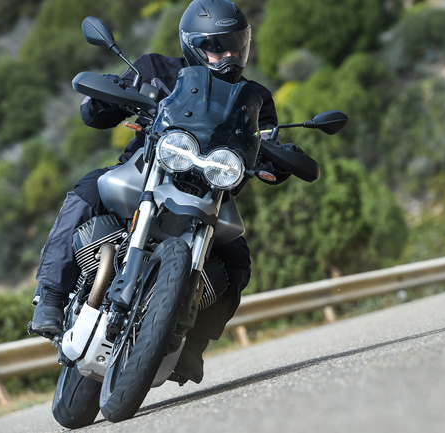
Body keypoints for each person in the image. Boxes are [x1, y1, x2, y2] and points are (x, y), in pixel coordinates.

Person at [29, 0, 297, 385]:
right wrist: (110, 94)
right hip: (144, 172)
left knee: (237, 260)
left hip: (210, 194)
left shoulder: (254, 98)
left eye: (235, 46)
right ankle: (51, 296)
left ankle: (192, 347)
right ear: (192, 44)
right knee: (88, 191)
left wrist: (282, 156)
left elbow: (267, 142)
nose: (228, 55)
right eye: (216, 47)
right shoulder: (155, 69)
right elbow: (93, 114)